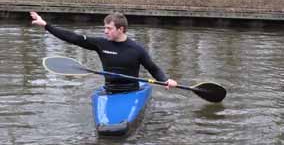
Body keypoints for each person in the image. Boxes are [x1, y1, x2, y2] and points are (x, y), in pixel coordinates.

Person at [30, 11, 177, 92]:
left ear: (121, 29)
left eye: (109, 28)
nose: (105, 31)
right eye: (104, 28)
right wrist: (46, 25)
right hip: (109, 90)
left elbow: (154, 69)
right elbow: (73, 38)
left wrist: (166, 80)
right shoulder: (101, 44)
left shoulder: (137, 49)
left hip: (131, 92)